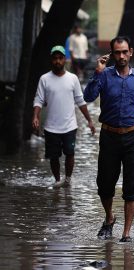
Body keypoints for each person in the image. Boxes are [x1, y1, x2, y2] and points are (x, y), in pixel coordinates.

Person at [84, 36, 134, 242]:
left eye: (124, 52)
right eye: (117, 52)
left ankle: (126, 234)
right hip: (109, 136)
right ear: (112, 54)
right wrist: (97, 72)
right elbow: (88, 97)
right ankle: (109, 218)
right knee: (104, 185)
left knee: (131, 187)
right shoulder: (104, 75)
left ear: (131, 52)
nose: (121, 56)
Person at [32, 45, 95, 188]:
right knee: (53, 157)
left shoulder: (72, 78)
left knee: (70, 153)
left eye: (60, 58)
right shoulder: (44, 79)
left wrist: (90, 121)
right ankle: (57, 180)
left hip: (70, 126)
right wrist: (35, 116)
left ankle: (67, 180)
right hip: (51, 127)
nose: (57, 61)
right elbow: (39, 99)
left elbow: (80, 100)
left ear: (65, 60)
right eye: (55, 58)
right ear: (51, 60)